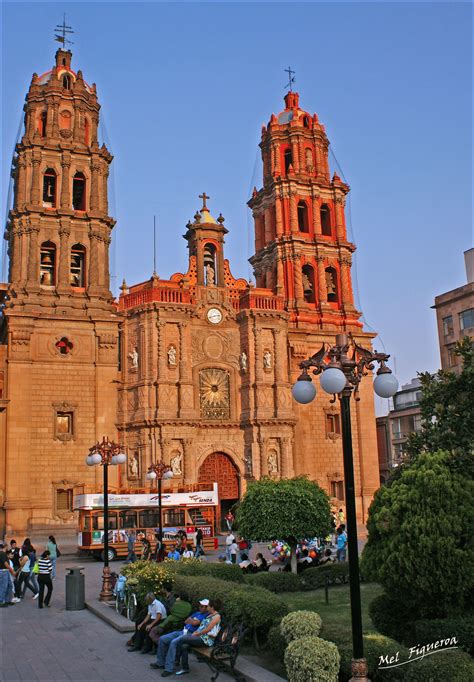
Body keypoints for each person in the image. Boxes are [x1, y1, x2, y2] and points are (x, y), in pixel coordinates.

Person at [150, 598, 210, 675]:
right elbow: (186, 621)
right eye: (199, 606)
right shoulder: (197, 613)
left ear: (207, 607)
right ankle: (160, 663)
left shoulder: (206, 615)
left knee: (173, 642)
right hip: (182, 631)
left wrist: (192, 621)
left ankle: (168, 669)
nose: (200, 607)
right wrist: (192, 621)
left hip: (190, 634)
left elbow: (195, 623)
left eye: (202, 606)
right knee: (162, 639)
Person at [174, 598, 222, 676]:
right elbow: (202, 627)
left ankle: (176, 660)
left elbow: (207, 629)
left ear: (212, 607)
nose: (207, 607)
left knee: (182, 638)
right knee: (184, 646)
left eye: (209, 606)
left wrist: (196, 634)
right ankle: (185, 668)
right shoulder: (210, 615)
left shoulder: (217, 616)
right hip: (200, 637)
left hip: (205, 640)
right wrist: (196, 632)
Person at [0, 543, 16, 607]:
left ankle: (7, 600)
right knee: (4, 586)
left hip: (5, 571)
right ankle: (1, 601)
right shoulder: (2, 553)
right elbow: (6, 564)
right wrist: (12, 571)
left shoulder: (2, 554)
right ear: (5, 547)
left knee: (9, 585)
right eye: (8, 547)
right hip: (4, 571)